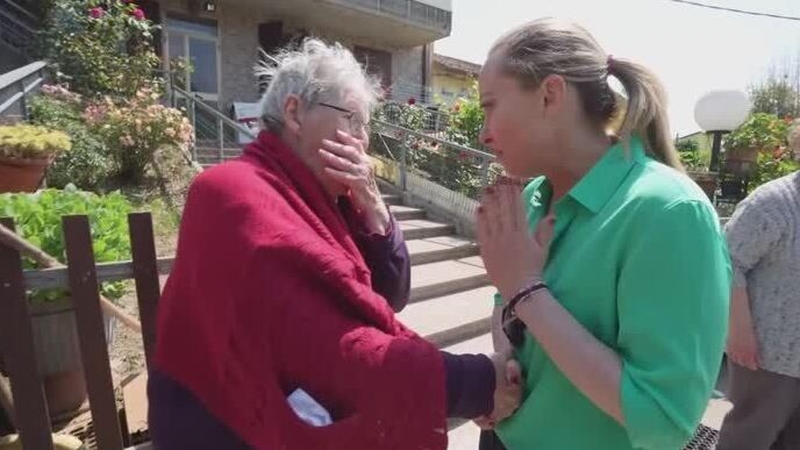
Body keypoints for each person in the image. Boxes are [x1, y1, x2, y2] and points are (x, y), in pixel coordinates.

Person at [147, 39, 522, 450]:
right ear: (295, 113)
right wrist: (472, 383)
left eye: (366, 127)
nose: (363, 141)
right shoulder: (231, 192)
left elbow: (390, 296)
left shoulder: (332, 201)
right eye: (352, 120)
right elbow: (324, 349)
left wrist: (373, 205)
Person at [472, 18, 731, 450]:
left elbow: (664, 421)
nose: (483, 132)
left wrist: (526, 291)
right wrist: (502, 375)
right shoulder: (532, 197)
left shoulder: (667, 212)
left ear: (551, 94)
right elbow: (505, 305)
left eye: (490, 106)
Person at [717, 169, 800, 450]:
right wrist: (738, 330)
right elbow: (725, 260)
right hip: (767, 357)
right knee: (748, 438)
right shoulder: (774, 202)